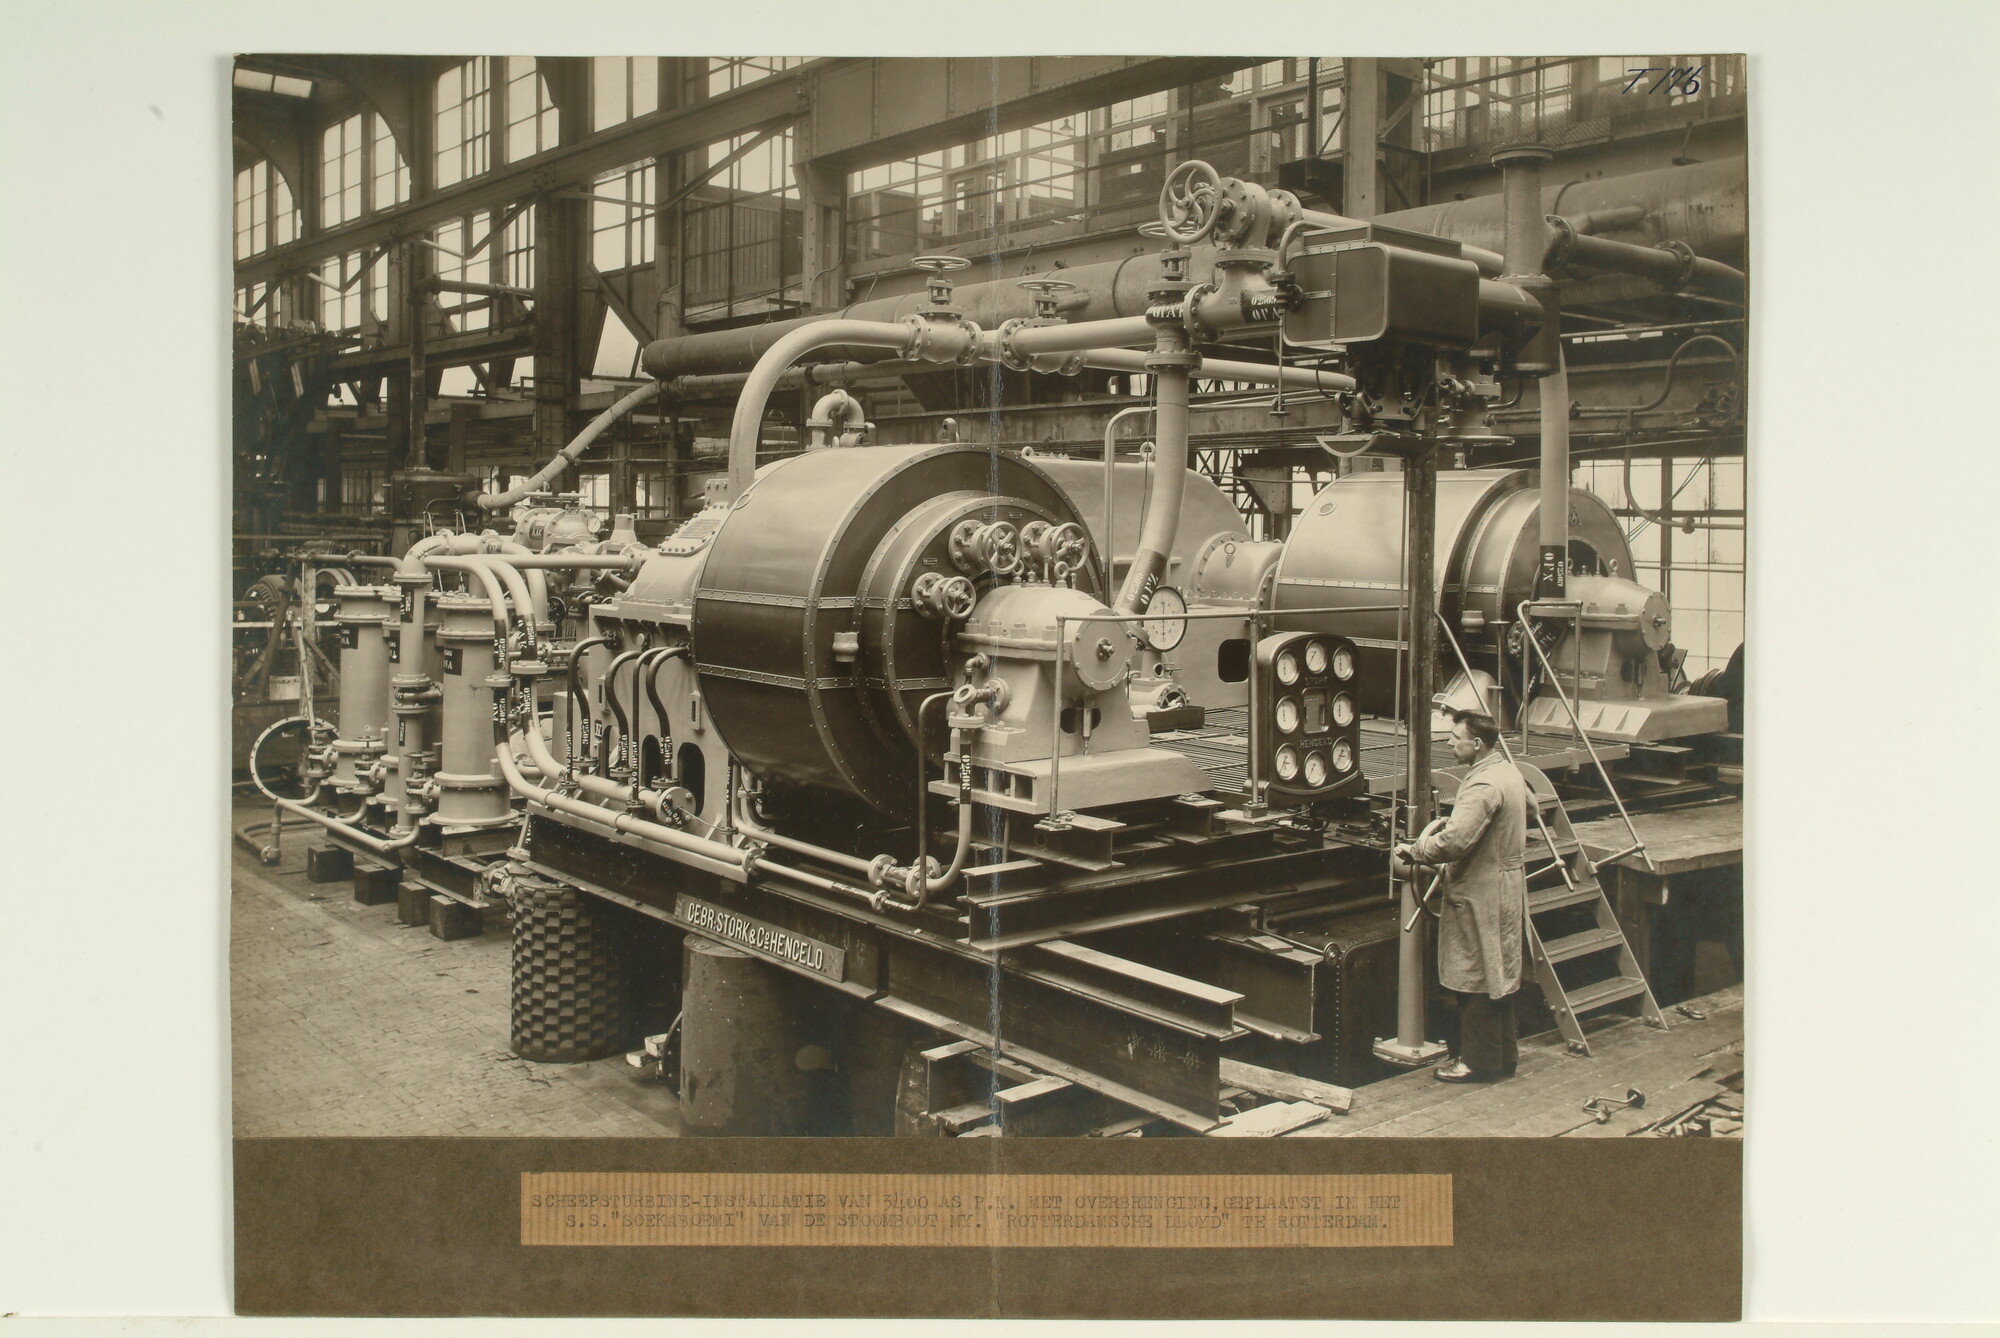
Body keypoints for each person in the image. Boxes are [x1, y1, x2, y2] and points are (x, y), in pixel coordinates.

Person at [1393, 709, 1529, 1083]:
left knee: (1474, 974)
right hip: (1505, 881)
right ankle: (1503, 1057)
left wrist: (1418, 850)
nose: (1450, 743)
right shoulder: (1507, 772)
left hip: (1480, 889)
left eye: (1456, 738)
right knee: (1498, 971)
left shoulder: (1484, 785)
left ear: (1478, 744)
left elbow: (1455, 841)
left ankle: (1477, 1062)